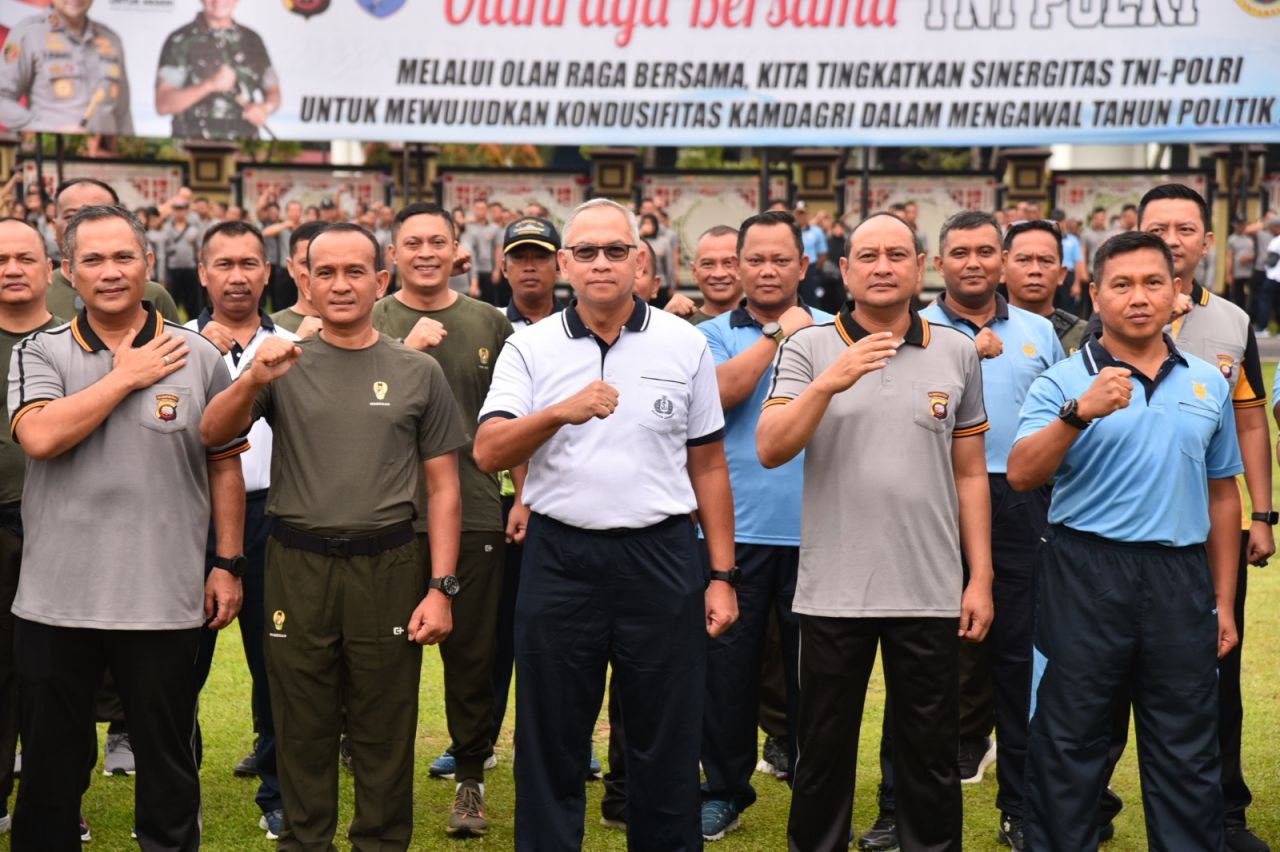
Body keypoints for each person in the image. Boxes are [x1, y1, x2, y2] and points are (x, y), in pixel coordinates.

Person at [473, 197, 737, 851]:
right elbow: (488, 451)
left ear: (638, 259)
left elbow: (708, 465)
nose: (601, 263)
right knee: (551, 736)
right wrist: (558, 412)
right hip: (560, 556)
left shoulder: (683, 343)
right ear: (565, 263)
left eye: (615, 251)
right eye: (586, 252)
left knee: (666, 736)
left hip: (661, 555)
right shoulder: (529, 346)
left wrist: (722, 575)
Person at [200, 222, 466, 850]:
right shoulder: (281, 362)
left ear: (381, 280)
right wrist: (252, 378)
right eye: (325, 273)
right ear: (305, 281)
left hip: (388, 564)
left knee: (385, 723)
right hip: (299, 562)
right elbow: (212, 434)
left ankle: (381, 840)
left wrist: (441, 587)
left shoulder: (417, 370)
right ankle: (305, 839)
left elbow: (444, 489)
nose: (340, 285)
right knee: (301, 721)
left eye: (354, 272)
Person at [8, 203, 246, 850]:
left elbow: (225, 465)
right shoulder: (40, 350)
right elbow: (41, 436)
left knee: (167, 763)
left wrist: (227, 563)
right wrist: (127, 376)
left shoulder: (199, 354)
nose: (110, 271)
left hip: (162, 598)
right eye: (93, 259)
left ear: (148, 262)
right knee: (52, 766)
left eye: (123, 257)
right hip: (57, 600)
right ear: (68, 272)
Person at [756, 211, 992, 852]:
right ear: (844, 269)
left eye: (896, 254)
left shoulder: (957, 350)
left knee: (930, 754)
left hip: (929, 587)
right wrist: (830, 382)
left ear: (921, 268)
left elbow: (971, 473)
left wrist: (980, 577)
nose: (882, 267)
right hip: (835, 588)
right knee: (823, 751)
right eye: (868, 256)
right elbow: (771, 447)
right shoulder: (808, 348)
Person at [1008, 231, 1243, 852]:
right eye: (1122, 284)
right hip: (1084, 572)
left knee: (1186, 742)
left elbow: (1223, 494)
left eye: (1152, 283)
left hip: (1179, 578)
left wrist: (1222, 600)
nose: (1138, 297)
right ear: (1095, 295)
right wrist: (1077, 413)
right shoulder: (1062, 381)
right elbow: (1022, 474)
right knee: (1069, 737)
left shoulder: (1206, 382)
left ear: (1175, 291)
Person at [1089, 185, 1273, 852]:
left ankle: (1223, 813)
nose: (1172, 238)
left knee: (1216, 674)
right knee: (1100, 680)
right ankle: (1087, 808)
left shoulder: (1232, 321)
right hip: (1115, 536)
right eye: (1157, 226)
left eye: (1185, 228)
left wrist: (1262, 513)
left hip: (1207, 532)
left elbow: (1248, 421)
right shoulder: (1101, 317)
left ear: (1206, 241)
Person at [914, 211, 1064, 849]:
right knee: (922, 656)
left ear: (1002, 261)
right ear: (937, 263)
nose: (972, 263)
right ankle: (904, 804)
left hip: (1021, 500)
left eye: (984, 251)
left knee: (1018, 656)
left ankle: (1022, 805)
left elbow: (1060, 420)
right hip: (930, 496)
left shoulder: (1039, 332)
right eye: (959, 252)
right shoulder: (912, 330)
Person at [371, 202, 514, 837]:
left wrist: (522, 497)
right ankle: (382, 781)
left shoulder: (489, 321)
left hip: (476, 510)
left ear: (458, 250)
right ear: (393, 255)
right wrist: (403, 352)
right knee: (383, 659)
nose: (426, 253)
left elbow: (510, 417)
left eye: (438, 242)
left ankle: (470, 776)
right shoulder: (374, 318)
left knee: (472, 656)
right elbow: (351, 405)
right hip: (388, 515)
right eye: (413, 243)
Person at [696, 211, 834, 842]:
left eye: (782, 259)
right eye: (756, 260)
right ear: (738, 266)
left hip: (820, 530)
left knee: (819, 678)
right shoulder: (706, 335)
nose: (768, 270)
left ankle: (818, 791)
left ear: (803, 265)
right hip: (733, 534)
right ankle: (724, 789)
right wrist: (780, 335)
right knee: (727, 673)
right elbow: (719, 393)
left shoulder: (835, 332)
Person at [186, 220, 294, 840]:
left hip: (277, 518)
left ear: (267, 272)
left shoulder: (297, 345)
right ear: (202, 273)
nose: (236, 276)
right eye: (223, 264)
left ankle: (278, 791)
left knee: (278, 666)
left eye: (248, 263)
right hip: (193, 519)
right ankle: (179, 791)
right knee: (179, 668)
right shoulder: (175, 345)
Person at [0, 217, 62, 834]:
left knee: (54, 674)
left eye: (25, 258)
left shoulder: (73, 342)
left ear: (50, 269)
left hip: (60, 528)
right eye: (1, 260)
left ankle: (56, 801)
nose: (12, 269)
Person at [46, 179, 179, 325]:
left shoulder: (154, 296)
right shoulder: (39, 294)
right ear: (54, 226)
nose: (85, 224)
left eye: (101, 214)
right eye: (71, 216)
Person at [0, 0, 133, 135]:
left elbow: (123, 113)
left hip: (105, 147)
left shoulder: (111, 39)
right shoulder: (28, 33)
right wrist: (46, 129)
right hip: (51, 147)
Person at [155, 0, 280, 140]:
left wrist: (265, 108)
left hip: (245, 144)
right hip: (193, 144)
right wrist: (209, 85)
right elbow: (163, 104)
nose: (218, 1)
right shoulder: (180, 40)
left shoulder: (253, 40)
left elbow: (274, 93)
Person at [1003, 219, 1089, 354]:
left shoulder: (1084, 337)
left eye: (1046, 261)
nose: (1035, 270)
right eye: (1023, 260)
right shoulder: (985, 333)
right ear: (1002, 268)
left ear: (1061, 274)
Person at [664, 225, 743, 325]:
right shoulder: (679, 325)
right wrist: (663, 322)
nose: (719, 274)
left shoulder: (761, 324)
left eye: (728, 263)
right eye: (708, 264)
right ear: (694, 272)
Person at [268, 220, 326, 337]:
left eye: (325, 264)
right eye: (305, 263)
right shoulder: (268, 328)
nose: (313, 272)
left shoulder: (360, 326)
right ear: (290, 267)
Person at [158, 199, 204, 320]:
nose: (179, 212)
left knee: (193, 302)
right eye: (176, 209)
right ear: (173, 211)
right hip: (173, 268)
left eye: (182, 209)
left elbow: (199, 250)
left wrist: (201, 270)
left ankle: (194, 324)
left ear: (186, 211)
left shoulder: (194, 228)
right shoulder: (167, 228)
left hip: (190, 268)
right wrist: (162, 277)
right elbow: (162, 253)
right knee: (173, 300)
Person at [793, 202, 827, 306]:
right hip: (792, 267)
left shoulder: (817, 231)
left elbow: (822, 253)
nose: (801, 216)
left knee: (810, 298)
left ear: (808, 214)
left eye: (803, 213)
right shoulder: (790, 231)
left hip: (810, 269)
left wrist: (815, 269)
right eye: (798, 213)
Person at [1227, 219, 1255, 312]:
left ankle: (1251, 314)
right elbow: (1229, 257)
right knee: (1238, 296)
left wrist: (1250, 258)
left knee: (1252, 296)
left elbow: (1260, 253)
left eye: (1242, 224)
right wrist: (1229, 274)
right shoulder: (1231, 239)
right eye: (1238, 224)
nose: (1240, 227)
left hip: (1251, 272)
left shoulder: (1251, 237)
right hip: (1238, 272)